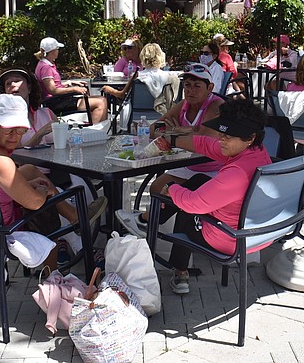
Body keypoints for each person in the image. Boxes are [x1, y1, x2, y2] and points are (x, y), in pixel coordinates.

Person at [0, 94, 106, 270]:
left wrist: (33, 186)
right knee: (45, 208)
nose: (15, 136)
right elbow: (35, 202)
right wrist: (45, 191)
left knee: (29, 170)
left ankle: (73, 216)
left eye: (20, 129)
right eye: (9, 129)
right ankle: (51, 277)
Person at [150, 99, 271, 294]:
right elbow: (206, 144)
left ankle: (179, 271)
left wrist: (171, 187)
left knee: (186, 208)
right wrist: (170, 139)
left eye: (228, 136)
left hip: (231, 239)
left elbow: (192, 204)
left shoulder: (237, 173)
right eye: (221, 133)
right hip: (257, 230)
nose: (221, 139)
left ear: (250, 137)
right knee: (198, 179)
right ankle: (155, 218)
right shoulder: (255, 151)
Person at [116, 65, 225, 238]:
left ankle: (149, 224)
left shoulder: (216, 105)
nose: (190, 91)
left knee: (175, 194)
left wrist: (179, 130)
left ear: (210, 88)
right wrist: (184, 131)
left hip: (213, 167)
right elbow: (154, 128)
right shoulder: (183, 105)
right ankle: (149, 226)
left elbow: (205, 136)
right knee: (157, 188)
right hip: (189, 163)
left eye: (197, 86)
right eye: (187, 85)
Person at [34, 37, 108, 124]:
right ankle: (95, 129)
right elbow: (52, 90)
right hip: (55, 102)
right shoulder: (46, 68)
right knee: (100, 102)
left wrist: (70, 82)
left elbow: (54, 84)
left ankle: (96, 126)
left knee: (101, 99)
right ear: (53, 51)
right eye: (57, 49)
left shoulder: (47, 65)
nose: (58, 51)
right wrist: (74, 89)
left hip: (58, 99)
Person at [0, 68, 56, 147]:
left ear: (29, 88)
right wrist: (39, 134)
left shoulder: (47, 113)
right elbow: (15, 153)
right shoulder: (5, 121)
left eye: (17, 80)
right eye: (8, 83)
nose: (12, 85)